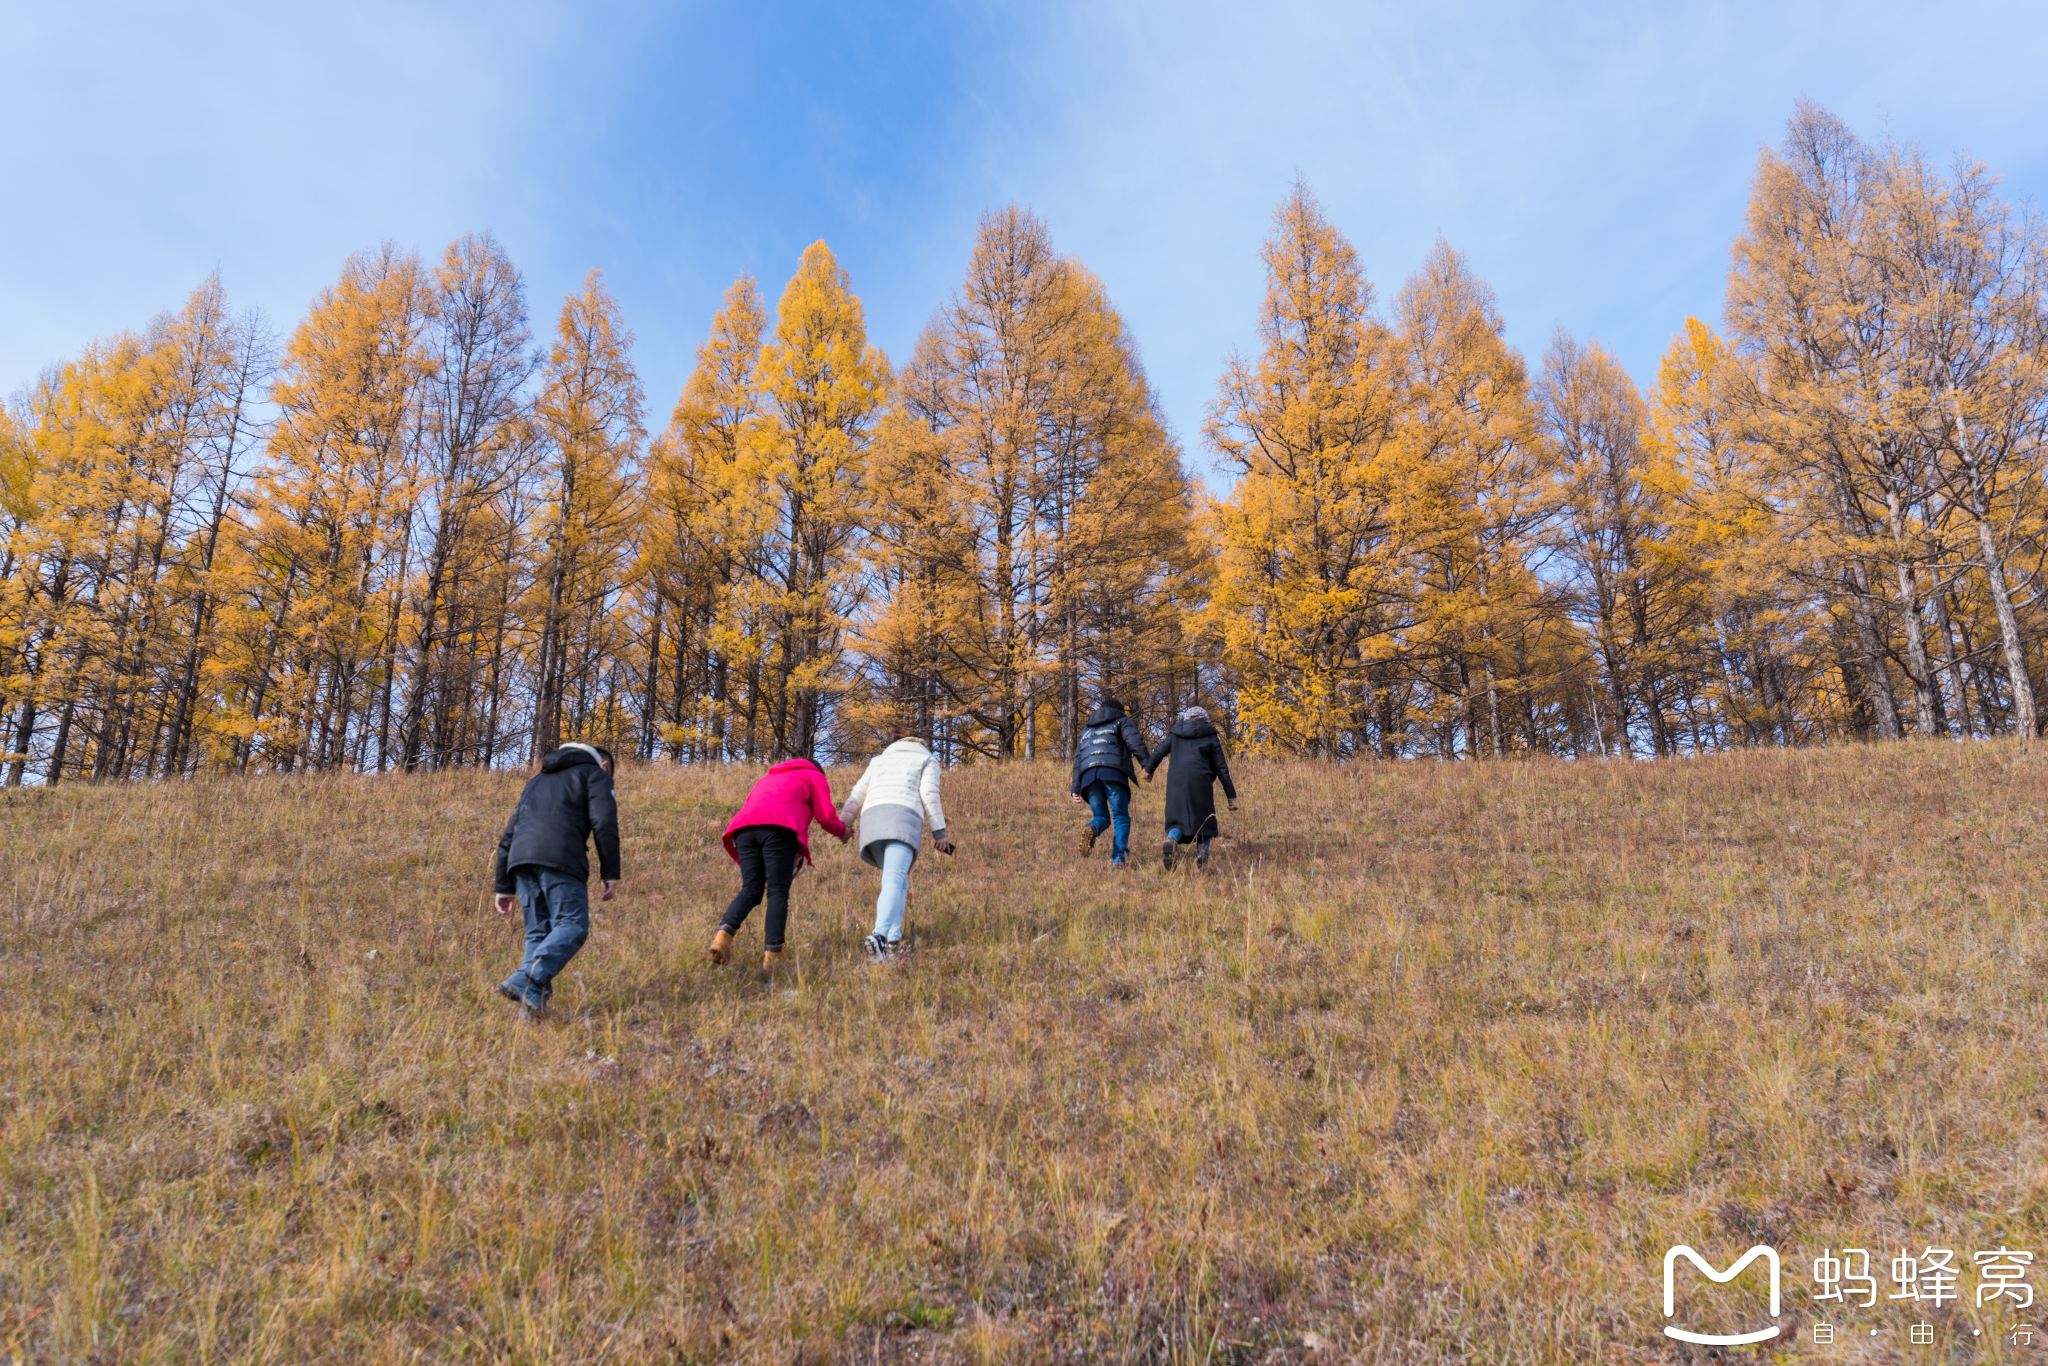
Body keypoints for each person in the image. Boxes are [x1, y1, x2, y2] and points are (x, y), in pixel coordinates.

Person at [492, 741, 621, 1017]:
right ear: (605, 766)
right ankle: (525, 980)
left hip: (520, 860)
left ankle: (530, 1011)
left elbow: (508, 834)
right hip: (561, 858)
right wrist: (610, 873)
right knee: (573, 924)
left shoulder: (537, 781)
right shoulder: (595, 775)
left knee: (538, 933)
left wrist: (504, 887)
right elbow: (604, 822)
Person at [709, 756, 850, 975]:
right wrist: (844, 832)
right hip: (778, 828)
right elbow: (826, 816)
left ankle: (722, 938)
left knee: (751, 889)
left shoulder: (767, 779)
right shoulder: (815, 776)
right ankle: (773, 956)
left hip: (744, 830)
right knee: (777, 892)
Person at [839, 729, 956, 959]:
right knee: (894, 878)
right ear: (921, 743)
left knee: (899, 881)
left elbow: (857, 795)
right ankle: (879, 936)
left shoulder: (879, 760)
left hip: (872, 821)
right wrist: (939, 832)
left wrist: (844, 825)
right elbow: (929, 794)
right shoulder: (926, 759)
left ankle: (893, 939)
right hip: (902, 819)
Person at [1142, 706, 1237, 871]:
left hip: (1175, 781)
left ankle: (1171, 840)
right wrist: (1232, 797)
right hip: (1201, 781)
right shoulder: (1210, 736)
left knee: (1176, 820)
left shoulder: (1175, 734)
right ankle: (1202, 857)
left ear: (1186, 719)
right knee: (1205, 821)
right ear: (1205, 721)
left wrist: (1148, 771)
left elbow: (1158, 752)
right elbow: (1222, 769)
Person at [1069, 695, 1148, 866]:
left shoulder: (1086, 729)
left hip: (1089, 776)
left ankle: (1092, 827)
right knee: (1120, 817)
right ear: (1119, 710)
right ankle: (1119, 860)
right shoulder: (1121, 720)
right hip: (1112, 773)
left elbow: (1077, 760)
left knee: (1101, 816)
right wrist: (1147, 765)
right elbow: (1135, 743)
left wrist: (1075, 787)